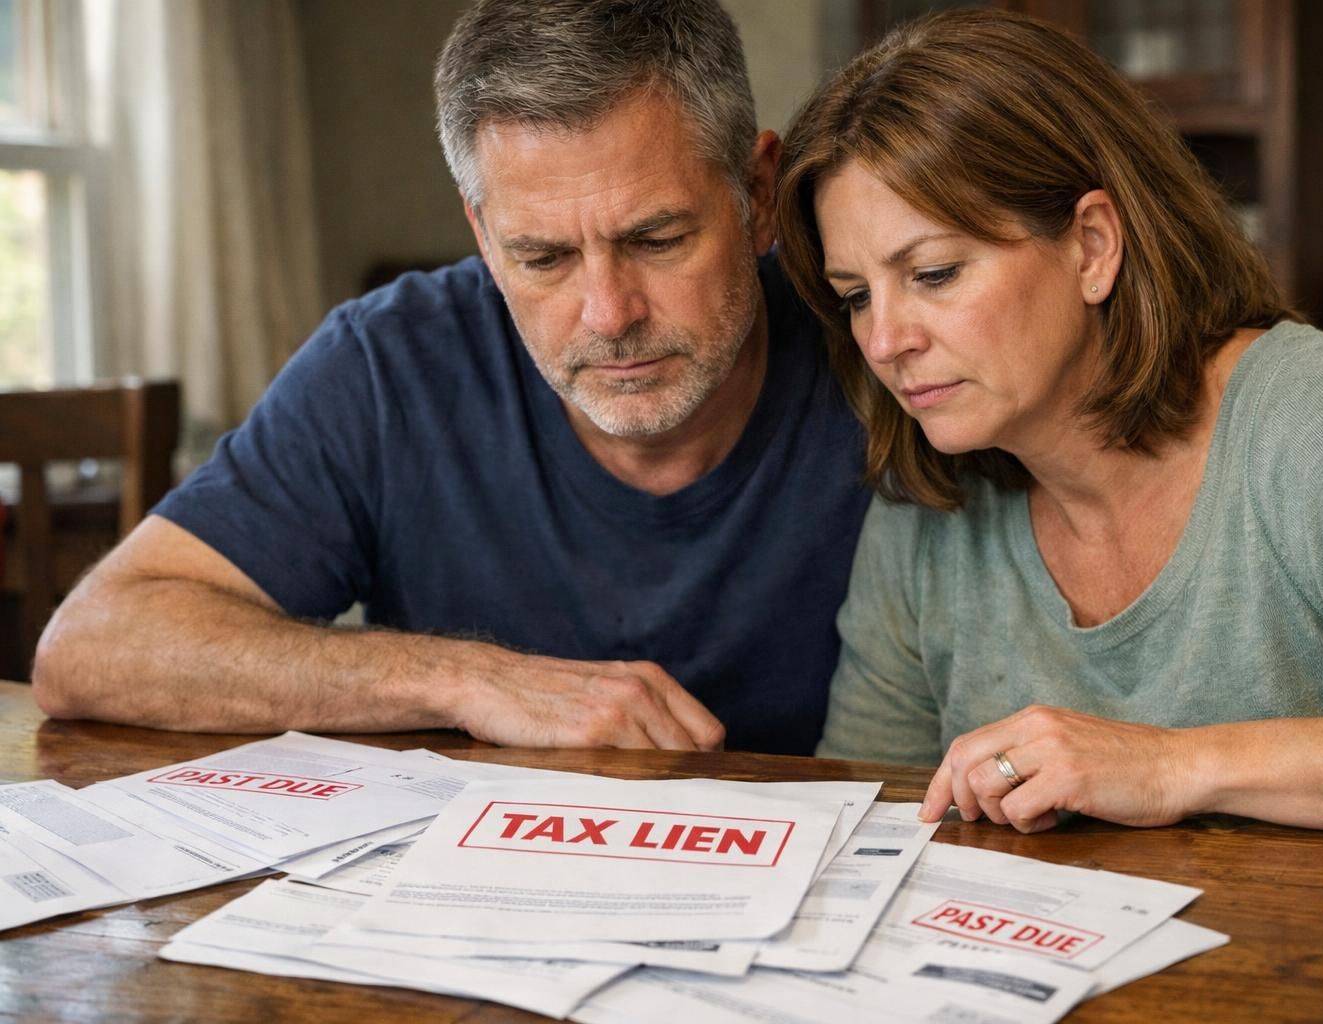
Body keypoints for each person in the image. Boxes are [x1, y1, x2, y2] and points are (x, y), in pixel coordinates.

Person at [775, 9, 1323, 843]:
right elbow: (873, 822)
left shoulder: (1315, 418)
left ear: (1093, 247)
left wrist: (1173, 765)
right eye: (855, 296)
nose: (885, 342)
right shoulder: (926, 500)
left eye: (934, 273)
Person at [31, 0, 870, 755]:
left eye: (657, 241)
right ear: (481, 233)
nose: (609, 314)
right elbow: (93, 646)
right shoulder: (390, 361)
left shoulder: (881, 343)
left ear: (757, 194)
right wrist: (466, 680)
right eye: (541, 257)